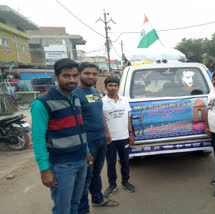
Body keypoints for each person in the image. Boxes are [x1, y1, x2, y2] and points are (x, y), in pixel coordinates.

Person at [31, 58, 92, 214]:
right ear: (56, 77)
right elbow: (38, 138)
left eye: (74, 75)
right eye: (66, 76)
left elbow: (80, 128)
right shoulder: (42, 103)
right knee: (62, 209)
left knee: (75, 204)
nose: (71, 80)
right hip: (62, 165)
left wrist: (86, 149)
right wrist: (45, 170)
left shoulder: (75, 98)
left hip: (80, 161)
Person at [75, 62, 119, 214]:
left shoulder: (94, 91)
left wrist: (106, 132)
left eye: (94, 74)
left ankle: (97, 199)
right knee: (85, 176)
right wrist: (84, 146)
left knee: (97, 171)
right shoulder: (75, 93)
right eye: (87, 73)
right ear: (79, 74)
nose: (91, 76)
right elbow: (75, 122)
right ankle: (82, 209)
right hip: (88, 142)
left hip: (100, 139)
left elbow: (99, 113)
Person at [102, 75, 136, 197]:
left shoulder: (124, 100)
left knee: (125, 161)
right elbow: (103, 120)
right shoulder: (102, 102)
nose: (112, 88)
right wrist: (106, 134)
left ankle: (125, 182)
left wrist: (130, 133)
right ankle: (112, 185)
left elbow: (128, 117)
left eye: (115, 85)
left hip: (124, 137)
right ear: (105, 87)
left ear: (118, 87)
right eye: (110, 85)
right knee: (111, 163)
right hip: (110, 139)